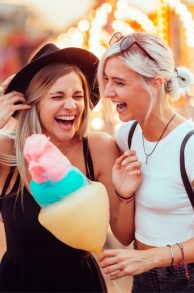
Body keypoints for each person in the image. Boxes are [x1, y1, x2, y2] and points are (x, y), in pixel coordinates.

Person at [97, 32, 194, 292]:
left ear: (155, 83)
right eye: (106, 80)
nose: (107, 92)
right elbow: (125, 236)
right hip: (142, 280)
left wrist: (153, 257)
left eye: (118, 82)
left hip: (192, 281)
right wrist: (124, 195)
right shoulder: (127, 136)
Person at [0, 43, 136, 292]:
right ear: (33, 103)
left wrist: (125, 195)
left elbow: (124, 236)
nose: (71, 106)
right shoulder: (7, 153)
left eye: (77, 96)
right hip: (19, 283)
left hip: (80, 283)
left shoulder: (98, 148)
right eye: (57, 96)